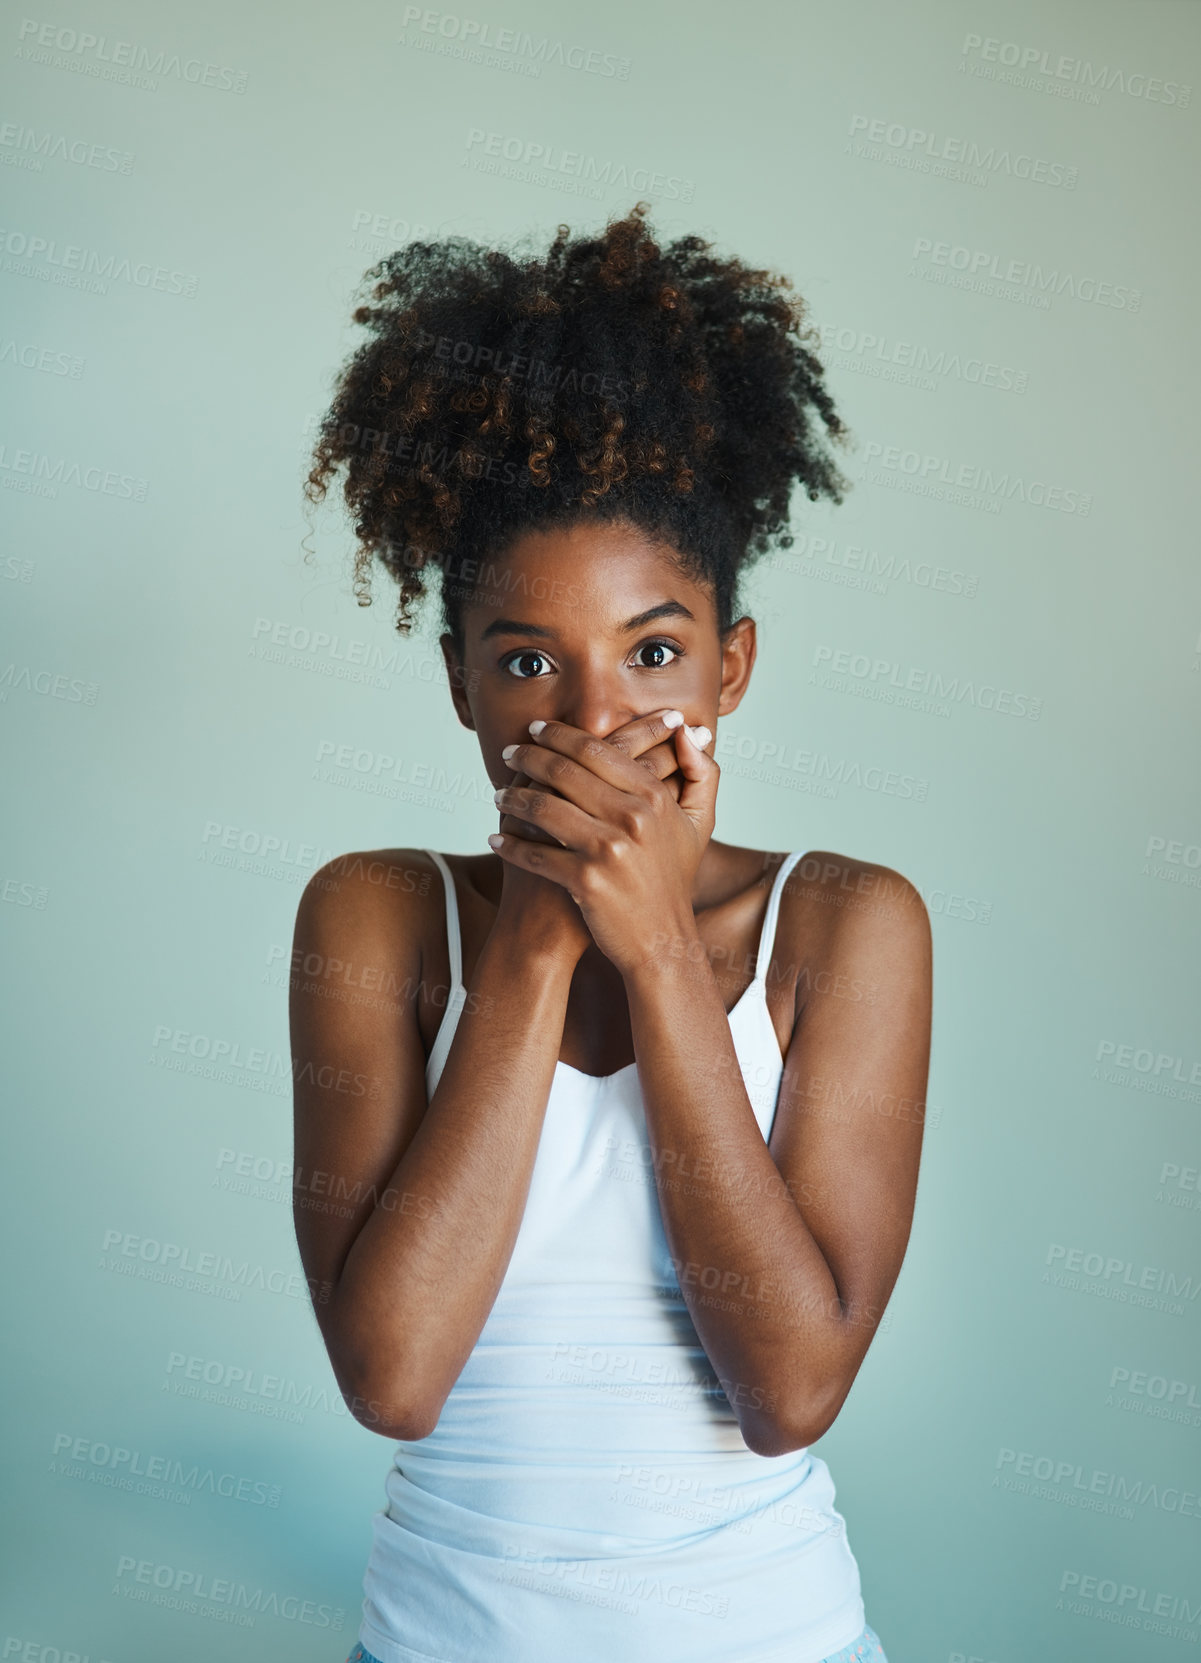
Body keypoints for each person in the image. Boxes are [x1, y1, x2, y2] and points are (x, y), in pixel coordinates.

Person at [292, 201, 932, 1663]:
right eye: (529, 662)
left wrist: (654, 955)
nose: (591, 723)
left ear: (732, 666)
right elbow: (392, 1375)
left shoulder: (844, 926)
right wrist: (533, 939)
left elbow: (786, 1392)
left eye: (653, 652)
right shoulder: (378, 916)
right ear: (461, 684)